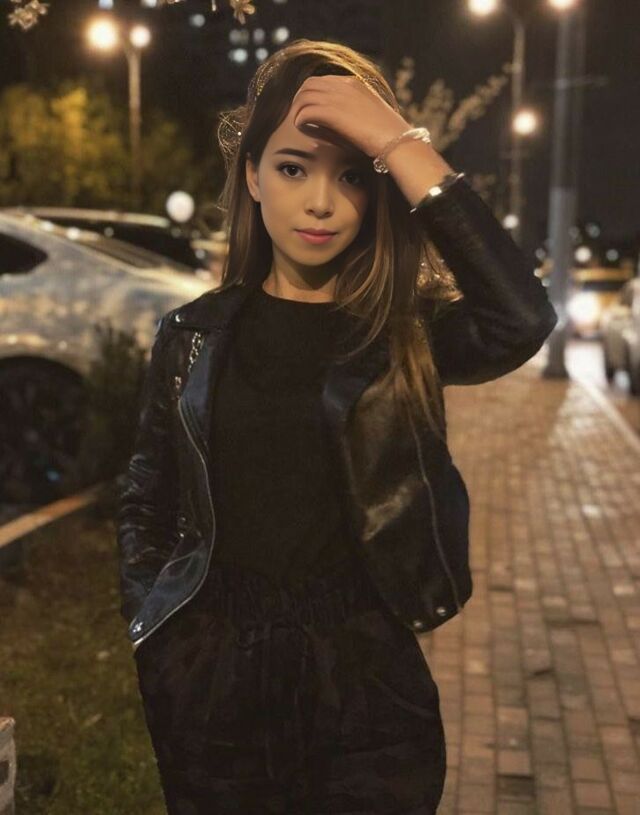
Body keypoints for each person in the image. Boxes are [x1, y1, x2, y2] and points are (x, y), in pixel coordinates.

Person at [117, 39, 557, 815]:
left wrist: (399, 143)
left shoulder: (404, 335)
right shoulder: (194, 336)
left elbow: (520, 319)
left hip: (366, 687)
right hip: (215, 686)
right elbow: (147, 497)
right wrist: (157, 637)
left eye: (352, 175)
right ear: (253, 176)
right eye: (293, 168)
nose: (321, 202)